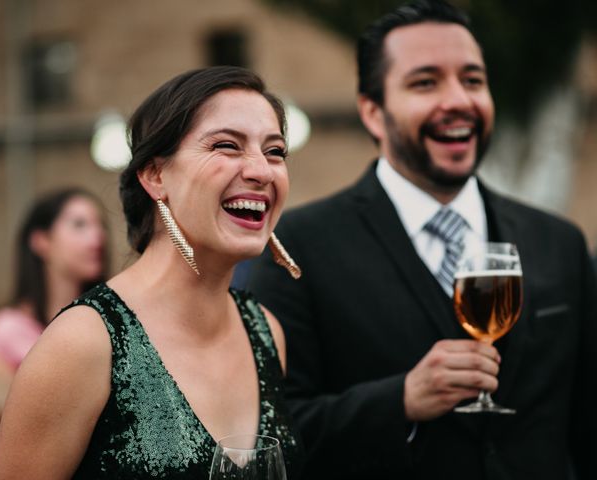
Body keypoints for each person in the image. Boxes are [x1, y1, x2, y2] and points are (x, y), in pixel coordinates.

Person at [248, 1, 597, 478]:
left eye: (473, 80)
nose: (458, 100)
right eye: (425, 82)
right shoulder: (298, 247)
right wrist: (400, 400)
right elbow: (275, 433)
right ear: (373, 112)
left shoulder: (560, 242)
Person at [0, 66, 302, 480]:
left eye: (275, 151)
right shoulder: (84, 344)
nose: (262, 171)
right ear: (155, 175)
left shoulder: (266, 332)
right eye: (227, 146)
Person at [0, 188, 107, 479]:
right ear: (42, 242)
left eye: (100, 225)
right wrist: (48, 427)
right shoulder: (7, 333)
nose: (97, 237)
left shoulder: (109, 323)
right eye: (79, 225)